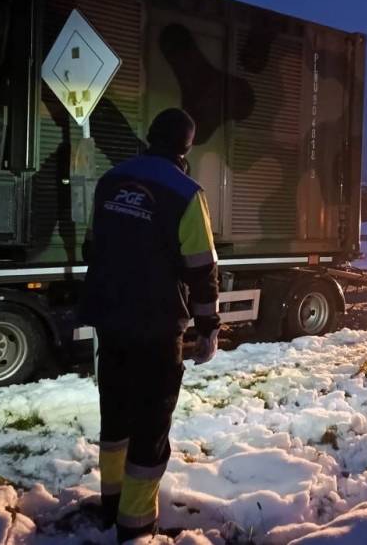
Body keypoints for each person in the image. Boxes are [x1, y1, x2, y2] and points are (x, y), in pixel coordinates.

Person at [81, 108, 220, 542]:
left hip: (111, 322)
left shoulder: (110, 181)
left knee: (115, 418)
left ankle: (111, 504)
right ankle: (136, 524)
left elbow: (91, 247)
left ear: (149, 136)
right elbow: (202, 269)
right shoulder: (186, 193)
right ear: (187, 147)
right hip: (157, 329)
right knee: (150, 426)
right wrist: (208, 327)